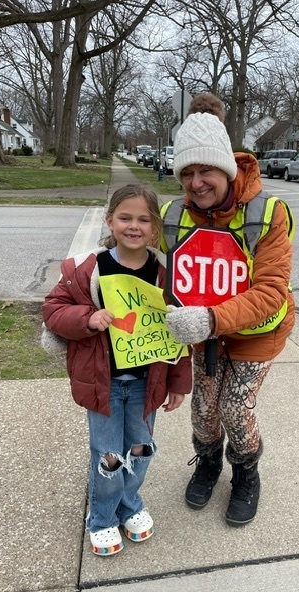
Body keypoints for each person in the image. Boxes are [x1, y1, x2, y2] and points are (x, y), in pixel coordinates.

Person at [162, 93, 295, 526]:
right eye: (187, 173)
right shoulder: (172, 216)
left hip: (258, 331)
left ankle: (246, 472)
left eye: (207, 171)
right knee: (203, 408)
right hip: (205, 333)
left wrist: (213, 318)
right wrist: (74, 301)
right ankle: (208, 463)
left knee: (235, 409)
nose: (197, 183)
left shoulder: (268, 213)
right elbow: (126, 256)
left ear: (227, 168)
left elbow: (272, 290)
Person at [42, 184, 192, 556]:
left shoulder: (165, 275)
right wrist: (88, 318)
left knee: (141, 449)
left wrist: (178, 382)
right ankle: (103, 517)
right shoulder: (86, 270)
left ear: (155, 229)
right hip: (103, 382)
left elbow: (180, 332)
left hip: (147, 383)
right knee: (108, 453)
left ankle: (129, 503)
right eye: (125, 217)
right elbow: (53, 310)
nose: (134, 226)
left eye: (144, 220)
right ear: (110, 220)